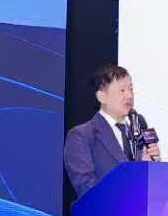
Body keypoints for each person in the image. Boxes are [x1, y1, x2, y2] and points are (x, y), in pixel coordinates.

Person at [65, 64, 162, 199]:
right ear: (102, 97)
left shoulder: (138, 130)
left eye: (131, 89)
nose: (129, 95)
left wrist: (147, 165)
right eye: (122, 90)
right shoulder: (81, 136)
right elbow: (86, 189)